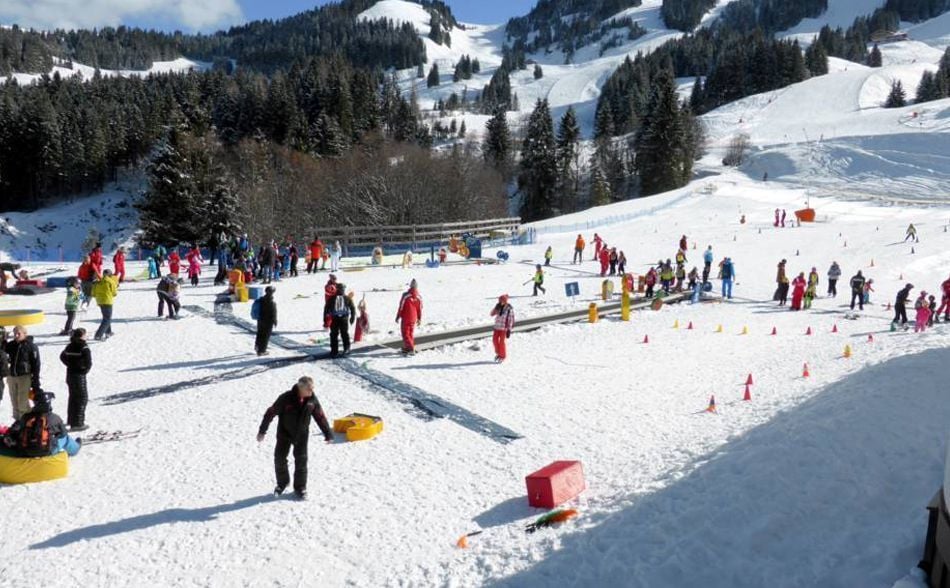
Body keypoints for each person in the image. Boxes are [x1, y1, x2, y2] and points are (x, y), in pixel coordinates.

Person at [257, 376, 333, 500]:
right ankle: (282, 483)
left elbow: (320, 416)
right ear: (300, 387)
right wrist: (262, 431)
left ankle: (300, 487)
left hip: (301, 434)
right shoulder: (286, 398)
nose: (312, 391)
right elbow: (270, 413)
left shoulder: (312, 400)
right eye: (309, 388)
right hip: (284, 433)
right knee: (280, 458)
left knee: (301, 460)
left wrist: (328, 433)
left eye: (312, 388)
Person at [2, 392, 80, 458]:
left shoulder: (26, 417)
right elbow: (63, 434)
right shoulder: (55, 418)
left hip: (25, 451)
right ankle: (75, 449)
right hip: (47, 451)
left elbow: (14, 429)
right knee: (66, 438)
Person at [4, 326, 41, 420]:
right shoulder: (11, 345)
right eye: (15, 333)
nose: (16, 335)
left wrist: (35, 379)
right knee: (14, 402)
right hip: (12, 376)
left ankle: (27, 423)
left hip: (24, 376)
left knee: (22, 402)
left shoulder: (31, 346)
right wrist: (3, 340)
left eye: (19, 333)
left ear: (25, 334)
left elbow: (36, 364)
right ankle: (18, 423)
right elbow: (2, 353)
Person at [59, 328, 91, 431]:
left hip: (70, 374)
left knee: (73, 397)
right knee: (82, 398)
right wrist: (83, 369)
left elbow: (62, 356)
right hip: (79, 376)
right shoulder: (84, 347)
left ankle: (71, 420)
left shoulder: (70, 345)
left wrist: (69, 364)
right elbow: (88, 362)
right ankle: (78, 423)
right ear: (82, 335)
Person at [325, 283, 356, 358]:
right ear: (337, 289)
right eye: (340, 289)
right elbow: (326, 308)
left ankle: (347, 348)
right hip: (335, 318)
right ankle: (334, 350)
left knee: (344, 334)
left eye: (342, 289)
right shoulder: (332, 298)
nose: (341, 290)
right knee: (334, 334)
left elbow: (352, 308)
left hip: (344, 318)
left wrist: (352, 317)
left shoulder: (347, 298)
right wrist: (325, 319)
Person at [396, 279, 422, 355]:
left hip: (406, 317)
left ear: (410, 286)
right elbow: (420, 308)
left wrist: (398, 316)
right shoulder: (419, 297)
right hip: (414, 317)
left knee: (405, 333)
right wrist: (419, 318)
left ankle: (410, 348)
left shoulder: (405, 295)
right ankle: (408, 347)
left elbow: (401, 306)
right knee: (410, 333)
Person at [92, 269, 119, 341]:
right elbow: (114, 293)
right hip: (107, 301)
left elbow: (93, 293)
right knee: (107, 319)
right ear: (110, 275)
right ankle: (98, 335)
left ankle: (108, 332)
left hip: (100, 301)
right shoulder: (111, 281)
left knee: (105, 317)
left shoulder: (98, 282)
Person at [490, 294, 515, 363]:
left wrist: (509, 329)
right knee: (494, 340)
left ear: (505, 301)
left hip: (504, 328)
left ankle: (503, 356)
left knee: (501, 342)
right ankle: (498, 353)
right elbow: (491, 314)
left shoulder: (509, 309)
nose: (500, 302)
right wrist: (495, 308)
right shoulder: (498, 307)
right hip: (497, 326)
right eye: (499, 300)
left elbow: (511, 319)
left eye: (501, 300)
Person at [255, 286, 278, 356]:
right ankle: (262, 350)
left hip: (260, 319)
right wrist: (275, 321)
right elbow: (273, 313)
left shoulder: (261, 299)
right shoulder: (271, 302)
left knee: (259, 333)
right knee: (265, 336)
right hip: (268, 321)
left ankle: (257, 346)